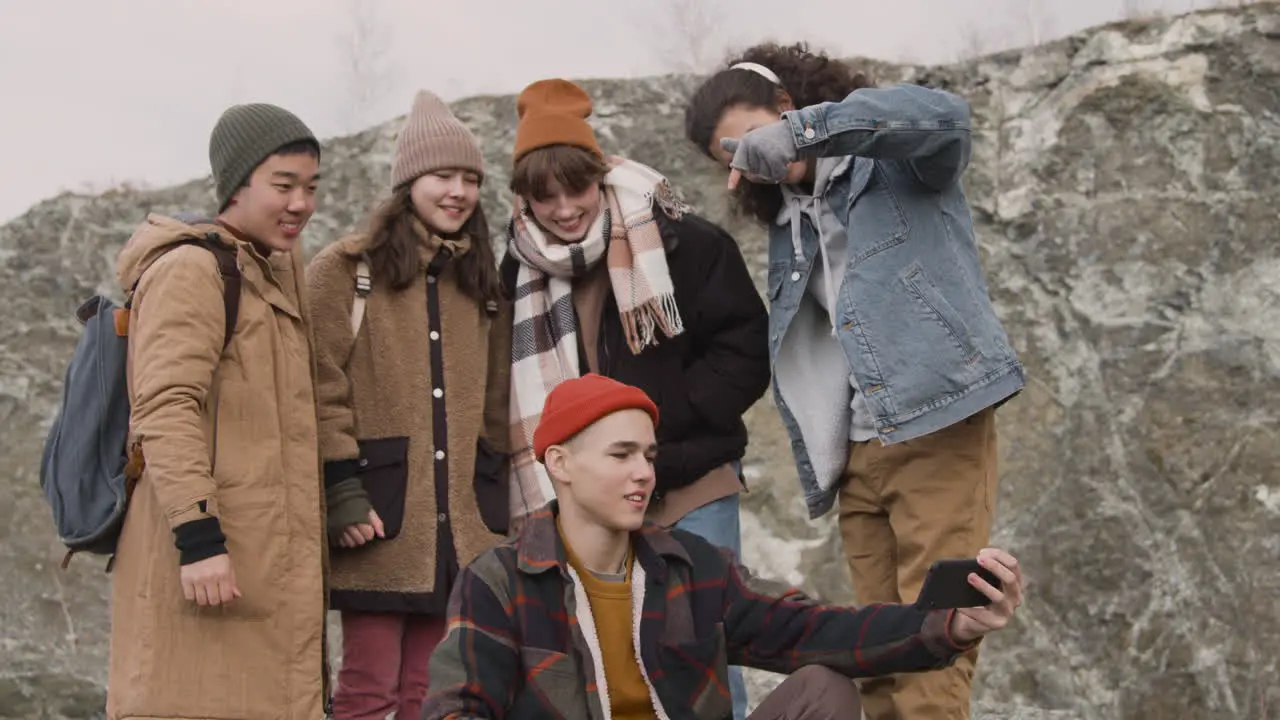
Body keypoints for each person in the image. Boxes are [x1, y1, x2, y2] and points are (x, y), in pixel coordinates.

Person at [682, 43, 1028, 720]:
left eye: (754, 136)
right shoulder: (790, 221)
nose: (751, 160)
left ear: (787, 107)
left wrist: (803, 132)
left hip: (935, 424)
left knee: (937, 650)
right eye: (733, 155)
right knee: (878, 655)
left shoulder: (895, 164)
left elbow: (945, 117)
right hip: (858, 458)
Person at [422, 373, 1026, 720]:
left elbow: (817, 630)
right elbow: (456, 708)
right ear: (561, 464)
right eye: (621, 455)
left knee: (826, 691)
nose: (643, 473)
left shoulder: (689, 568)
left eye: (649, 456)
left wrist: (949, 624)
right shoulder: (498, 581)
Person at [500, 78, 771, 720]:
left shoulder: (682, 242)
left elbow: (745, 350)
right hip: (588, 501)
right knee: (607, 658)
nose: (565, 209)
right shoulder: (514, 273)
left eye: (578, 189)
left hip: (689, 483)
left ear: (601, 175)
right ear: (524, 199)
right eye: (546, 197)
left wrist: (658, 426)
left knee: (707, 652)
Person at [106, 104, 329, 719]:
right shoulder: (191, 268)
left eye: (311, 187)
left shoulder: (273, 270)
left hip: (261, 566)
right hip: (206, 558)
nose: (301, 203)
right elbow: (166, 408)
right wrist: (199, 536)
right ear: (236, 186)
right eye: (282, 186)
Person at [305, 90, 512, 720]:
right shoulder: (344, 271)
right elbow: (319, 386)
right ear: (408, 183)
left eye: (471, 179)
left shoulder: (481, 280)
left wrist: (495, 494)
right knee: (369, 688)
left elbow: (497, 400)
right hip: (377, 514)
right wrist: (342, 489)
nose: (458, 192)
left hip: (461, 522)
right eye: (443, 176)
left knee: (433, 691)